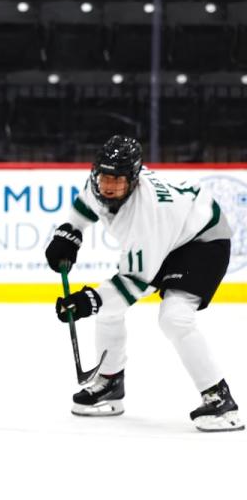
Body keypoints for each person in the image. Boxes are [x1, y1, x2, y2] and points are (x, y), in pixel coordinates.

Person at [45, 135, 241, 432]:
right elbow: (85, 206)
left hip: (202, 240)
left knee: (175, 317)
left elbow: (133, 283)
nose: (109, 186)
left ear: (134, 180)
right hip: (172, 233)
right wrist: (69, 233)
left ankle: (219, 399)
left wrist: (88, 301)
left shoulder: (146, 216)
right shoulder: (98, 184)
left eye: (118, 180)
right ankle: (110, 382)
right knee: (109, 311)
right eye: (104, 177)